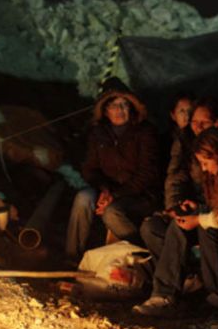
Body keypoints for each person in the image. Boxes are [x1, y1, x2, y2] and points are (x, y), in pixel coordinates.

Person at [134, 101, 218, 316]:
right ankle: (169, 294)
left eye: (206, 164)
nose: (205, 169)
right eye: (194, 122)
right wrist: (196, 207)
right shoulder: (203, 156)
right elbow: (186, 184)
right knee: (169, 226)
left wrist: (200, 219)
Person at [64, 77, 162, 263]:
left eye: (124, 105)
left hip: (139, 194)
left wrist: (115, 195)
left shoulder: (145, 132)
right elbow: (90, 168)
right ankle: (71, 258)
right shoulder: (98, 133)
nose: (119, 110)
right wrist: (104, 189)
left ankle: (146, 255)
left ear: (131, 108)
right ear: (106, 110)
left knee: (111, 212)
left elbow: (147, 174)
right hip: (108, 190)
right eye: (114, 106)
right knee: (83, 198)